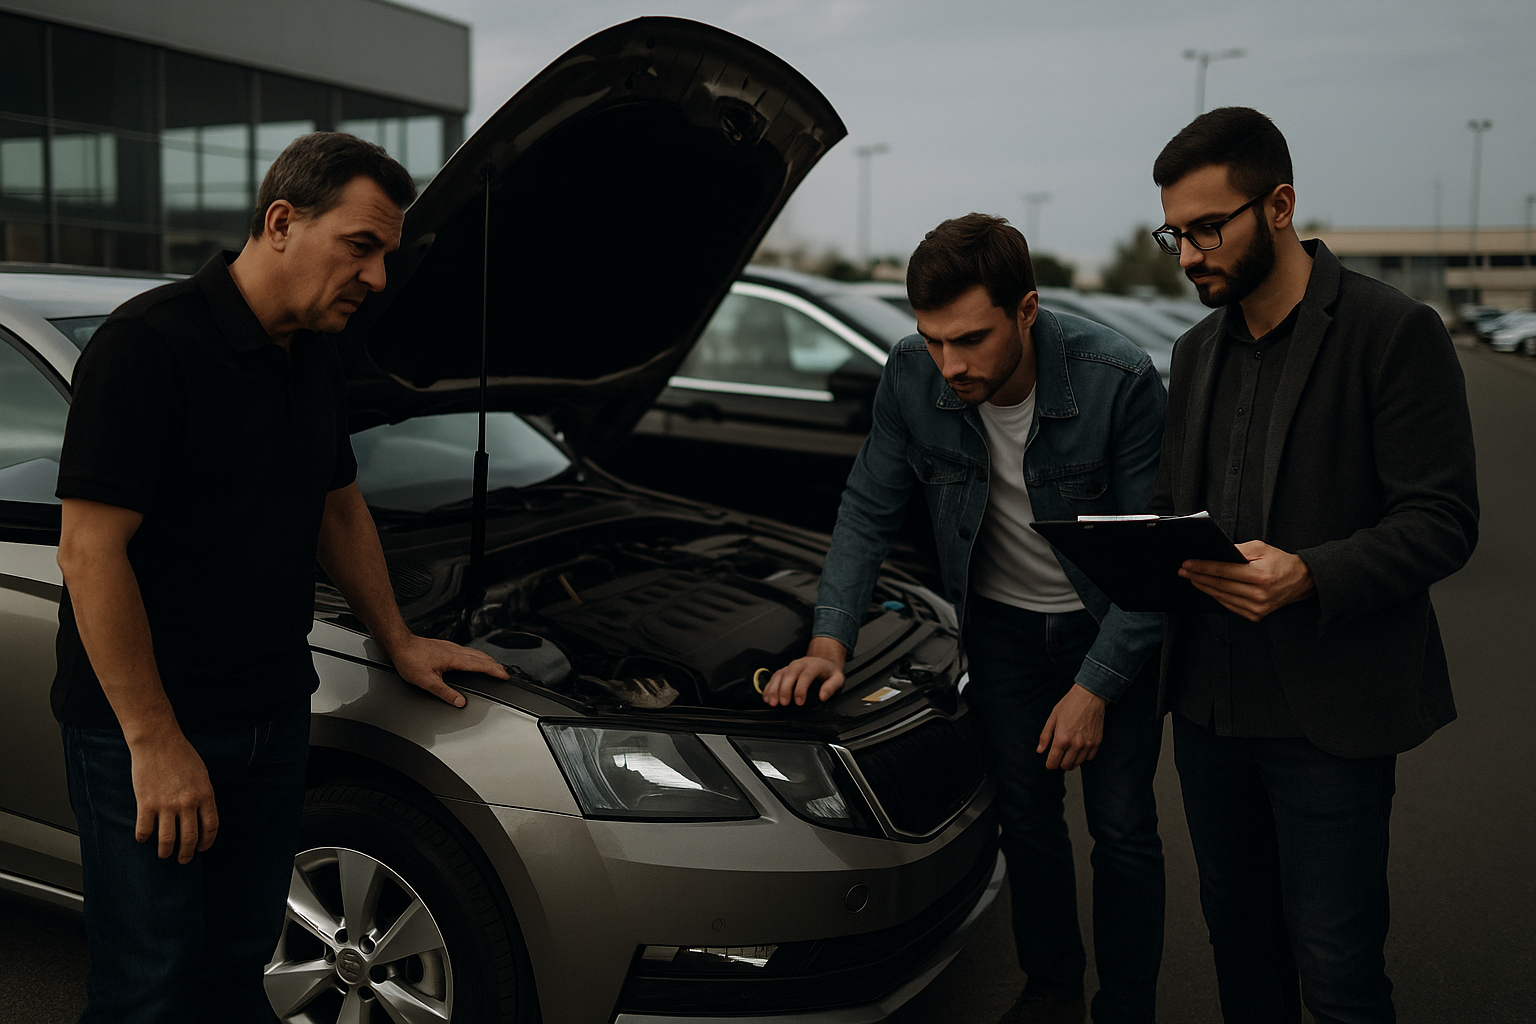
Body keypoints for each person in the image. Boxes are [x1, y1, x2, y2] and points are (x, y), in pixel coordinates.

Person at [52, 132, 509, 1023]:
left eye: (387, 255)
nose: (377, 278)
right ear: (281, 222)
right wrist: (154, 741)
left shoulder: (313, 353)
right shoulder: (148, 346)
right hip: (151, 732)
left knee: (234, 969)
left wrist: (400, 639)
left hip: (269, 716)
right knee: (149, 983)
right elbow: (87, 553)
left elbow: (337, 505)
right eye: (362, 246)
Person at [763, 214, 1168, 1024]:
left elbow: (1153, 566)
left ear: (1027, 310)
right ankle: (1051, 989)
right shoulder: (912, 373)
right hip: (1004, 634)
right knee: (1028, 819)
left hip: (1108, 629)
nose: (950, 365)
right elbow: (867, 509)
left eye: (971, 340)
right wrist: (830, 639)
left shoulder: (1116, 378)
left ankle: (1126, 1008)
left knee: (1122, 830)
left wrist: (1096, 688)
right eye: (934, 339)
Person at [1147, 107, 1478, 1024]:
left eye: (1207, 228)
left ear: (1281, 205)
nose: (1187, 256)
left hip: (1328, 716)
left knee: (1337, 969)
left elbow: (1443, 520)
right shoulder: (1192, 349)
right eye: (1175, 233)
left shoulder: (1392, 330)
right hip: (1210, 713)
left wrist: (1310, 573)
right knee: (1239, 948)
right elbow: (1182, 513)